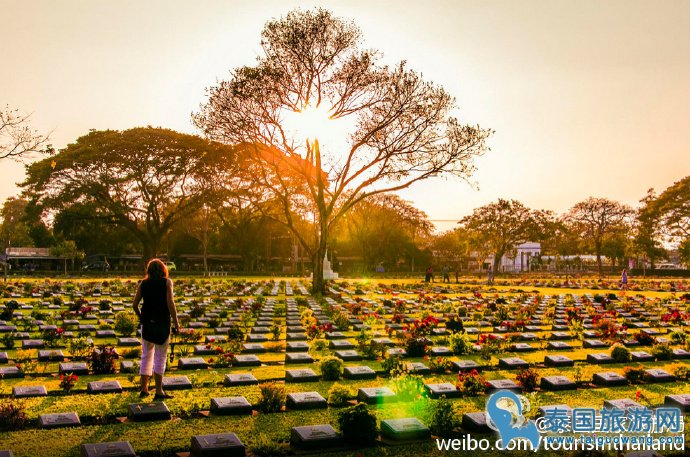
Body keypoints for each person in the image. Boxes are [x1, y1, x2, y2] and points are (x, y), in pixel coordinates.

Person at [133, 259, 181, 400]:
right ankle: (159, 391)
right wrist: (176, 322)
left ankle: (144, 389)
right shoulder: (167, 282)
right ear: (163, 269)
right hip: (162, 323)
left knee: (146, 355)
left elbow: (135, 304)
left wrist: (142, 318)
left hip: (147, 323)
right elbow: (170, 303)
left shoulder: (143, 284)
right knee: (160, 356)